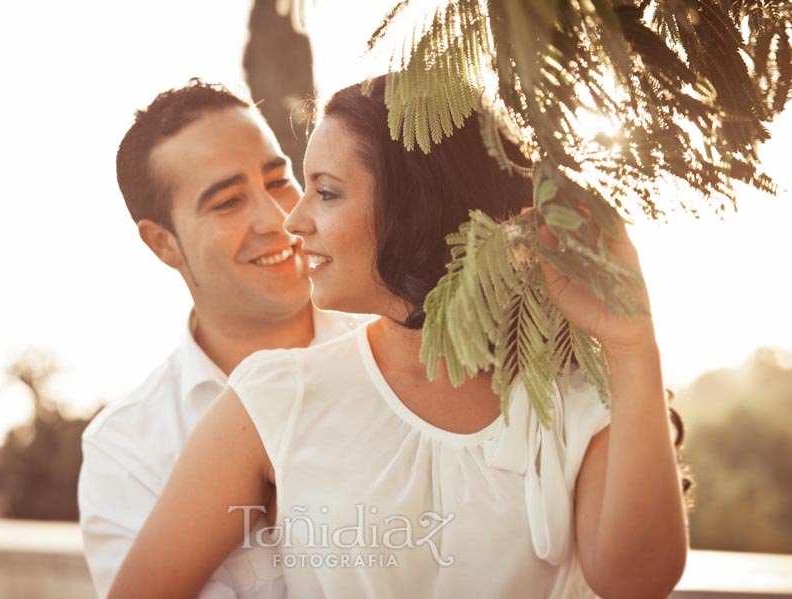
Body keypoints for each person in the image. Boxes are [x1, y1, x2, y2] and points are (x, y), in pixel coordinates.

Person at [108, 78, 689, 598]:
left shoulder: (574, 396)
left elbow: (636, 582)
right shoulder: (273, 397)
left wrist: (633, 344)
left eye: (327, 192)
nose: (294, 220)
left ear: (417, 208)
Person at [77, 79, 368, 599]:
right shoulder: (127, 449)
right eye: (229, 201)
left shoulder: (399, 349)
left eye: (279, 181)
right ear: (163, 243)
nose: (279, 219)